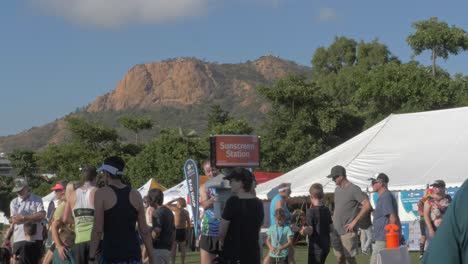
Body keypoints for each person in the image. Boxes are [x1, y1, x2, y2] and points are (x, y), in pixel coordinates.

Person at [89, 156, 155, 264]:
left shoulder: (101, 194)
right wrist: (152, 258)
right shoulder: (135, 194)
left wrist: (91, 257)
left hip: (111, 255)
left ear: (107, 173)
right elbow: (144, 231)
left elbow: (97, 229)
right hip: (133, 255)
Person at [218, 168, 264, 263]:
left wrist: (221, 241)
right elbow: (258, 227)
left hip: (235, 253)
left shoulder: (232, 202)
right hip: (252, 253)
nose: (230, 184)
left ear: (242, 183)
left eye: (232, 181)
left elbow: (222, 231)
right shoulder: (258, 203)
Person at [327, 165, 371, 264]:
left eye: (334, 177)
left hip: (347, 231)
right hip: (336, 231)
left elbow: (367, 205)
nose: (333, 180)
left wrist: (354, 222)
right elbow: (337, 209)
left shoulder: (354, 189)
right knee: (339, 259)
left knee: (350, 259)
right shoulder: (337, 190)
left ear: (341, 176)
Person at [422, 179, 468, 263]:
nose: (435, 188)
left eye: (437, 186)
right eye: (434, 187)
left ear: (443, 188)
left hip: (446, 229)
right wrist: (430, 229)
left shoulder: (448, 199)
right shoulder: (429, 200)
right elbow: (426, 215)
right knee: (434, 248)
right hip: (433, 228)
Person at [62, 165, 98, 264]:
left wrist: (78, 220)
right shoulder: (97, 192)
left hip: (79, 240)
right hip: (95, 240)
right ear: (96, 177)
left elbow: (65, 219)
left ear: (82, 178)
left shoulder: (73, 195)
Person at [8, 178, 46, 262]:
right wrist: (34, 217)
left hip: (36, 238)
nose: (19, 192)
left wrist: (24, 218)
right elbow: (14, 220)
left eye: (21, 190)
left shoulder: (37, 199)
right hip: (19, 239)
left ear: (26, 187)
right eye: (17, 190)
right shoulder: (14, 202)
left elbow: (42, 215)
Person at [368, 173, 401, 264]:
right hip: (383, 237)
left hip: (384, 238)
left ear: (381, 183)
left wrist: (392, 238)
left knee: (374, 262)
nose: (372, 184)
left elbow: (392, 217)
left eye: (374, 182)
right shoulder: (384, 196)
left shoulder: (385, 196)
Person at [300, 183, 332, 264]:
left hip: (316, 248)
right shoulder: (326, 210)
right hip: (326, 246)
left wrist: (303, 231)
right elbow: (331, 228)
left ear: (311, 196)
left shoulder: (311, 211)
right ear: (322, 195)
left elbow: (310, 230)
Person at [268, 183, 297, 264]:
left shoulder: (279, 199)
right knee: (274, 255)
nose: (291, 191)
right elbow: (280, 217)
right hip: (279, 232)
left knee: (290, 254)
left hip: (280, 230)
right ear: (284, 190)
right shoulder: (280, 200)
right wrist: (292, 216)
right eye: (289, 190)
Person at [199, 160, 220, 264]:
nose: (212, 173)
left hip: (226, 231)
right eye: (208, 171)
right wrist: (212, 200)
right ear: (205, 173)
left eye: (213, 169)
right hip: (209, 231)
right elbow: (204, 205)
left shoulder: (228, 184)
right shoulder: (204, 187)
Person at [42, 181, 68, 264]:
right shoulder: (63, 203)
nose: (55, 193)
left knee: (46, 262)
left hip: (61, 240)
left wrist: (59, 245)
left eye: (57, 190)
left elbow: (55, 225)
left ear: (63, 191)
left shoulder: (64, 205)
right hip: (58, 239)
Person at [148, 188, 175, 264]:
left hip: (158, 249)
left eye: (149, 198)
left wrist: (150, 241)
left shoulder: (157, 212)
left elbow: (157, 230)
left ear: (153, 199)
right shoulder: (169, 211)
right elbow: (174, 231)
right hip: (167, 249)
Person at [165, 198, 190, 264]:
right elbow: (189, 223)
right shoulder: (186, 212)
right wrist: (188, 232)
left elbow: (166, 205)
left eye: (177, 202)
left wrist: (173, 200)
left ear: (179, 203)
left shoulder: (176, 209)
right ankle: (182, 262)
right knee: (183, 249)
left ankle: (173, 262)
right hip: (183, 230)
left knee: (173, 249)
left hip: (176, 230)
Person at [417, 188, 432, 259]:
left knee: (424, 236)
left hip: (423, 220)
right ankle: (423, 253)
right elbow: (420, 213)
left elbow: (420, 213)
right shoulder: (424, 202)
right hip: (425, 220)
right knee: (426, 236)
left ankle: (422, 254)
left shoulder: (422, 201)